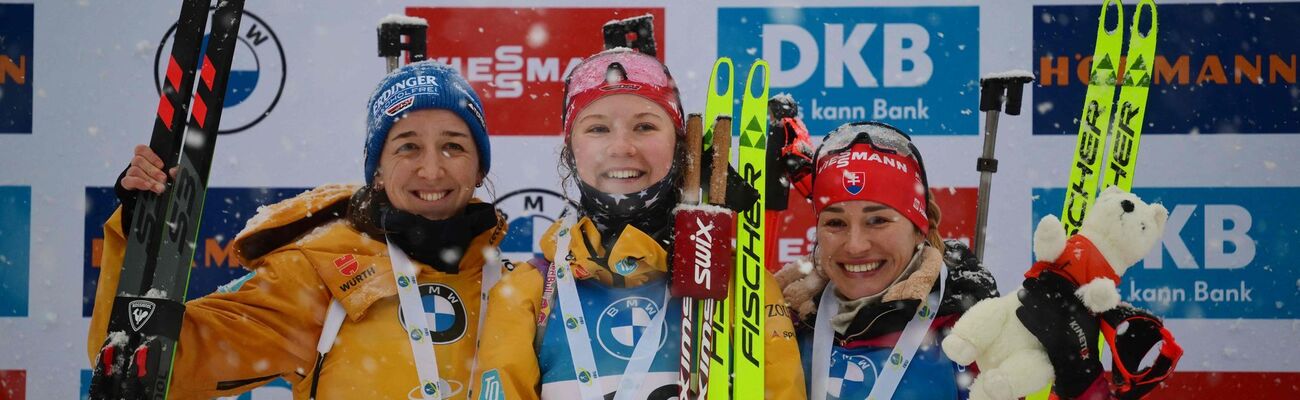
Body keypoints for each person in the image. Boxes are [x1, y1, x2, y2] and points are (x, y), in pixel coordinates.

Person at [87, 61, 506, 399]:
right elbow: (154, 364)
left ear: (479, 165)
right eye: (407, 146)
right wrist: (140, 235)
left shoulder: (518, 288)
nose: (431, 169)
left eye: (454, 146)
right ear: (377, 170)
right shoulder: (319, 273)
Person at [473, 49, 805, 400]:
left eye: (645, 126)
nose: (622, 147)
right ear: (570, 149)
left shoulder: (742, 283)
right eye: (598, 128)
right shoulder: (528, 292)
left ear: (679, 145)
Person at [773, 121, 999, 399]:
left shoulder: (971, 333)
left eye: (877, 220)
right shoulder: (786, 326)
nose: (855, 246)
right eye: (835, 223)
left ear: (920, 227)